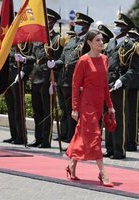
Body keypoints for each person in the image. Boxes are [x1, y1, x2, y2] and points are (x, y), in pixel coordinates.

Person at [66, 29, 115, 187]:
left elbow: (105, 85)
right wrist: (74, 108)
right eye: (98, 40)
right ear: (89, 43)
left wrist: (110, 106)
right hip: (86, 102)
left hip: (99, 101)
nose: (101, 43)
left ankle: (72, 165)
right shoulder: (83, 61)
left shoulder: (105, 59)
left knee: (83, 135)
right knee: (94, 134)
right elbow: (75, 85)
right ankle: (103, 173)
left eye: (102, 40)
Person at [103, 13, 139, 159]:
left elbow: (134, 68)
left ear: (126, 28)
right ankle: (110, 147)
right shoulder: (111, 43)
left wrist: (123, 80)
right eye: (116, 25)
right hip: (107, 84)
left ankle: (119, 150)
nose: (116, 28)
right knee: (108, 115)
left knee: (118, 117)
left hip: (119, 85)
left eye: (119, 26)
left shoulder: (130, 45)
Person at [55, 12, 94, 143]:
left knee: (73, 112)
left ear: (86, 27)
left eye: (79, 24)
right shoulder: (71, 41)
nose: (76, 26)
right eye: (76, 23)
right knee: (64, 110)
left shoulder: (88, 43)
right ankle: (65, 134)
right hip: (63, 81)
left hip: (76, 82)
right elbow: (62, 58)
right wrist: (55, 63)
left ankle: (72, 139)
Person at [28, 9, 63, 148]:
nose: (46, 22)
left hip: (47, 78)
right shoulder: (37, 37)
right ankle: (37, 138)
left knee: (47, 111)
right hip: (35, 77)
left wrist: (53, 82)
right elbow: (34, 56)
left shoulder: (56, 39)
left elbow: (59, 61)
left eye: (49, 20)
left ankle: (45, 140)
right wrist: (24, 59)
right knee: (37, 111)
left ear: (53, 22)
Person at [3, 44, 34, 145]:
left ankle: (21, 136)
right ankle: (14, 135)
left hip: (18, 76)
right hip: (7, 76)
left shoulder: (24, 43)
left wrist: (23, 72)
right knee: (10, 108)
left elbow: (30, 60)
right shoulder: (8, 41)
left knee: (18, 108)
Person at [125, 26, 139, 151]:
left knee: (132, 115)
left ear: (138, 38)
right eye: (129, 35)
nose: (130, 38)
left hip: (134, 84)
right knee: (123, 114)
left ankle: (132, 141)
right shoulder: (125, 46)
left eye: (134, 36)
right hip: (124, 83)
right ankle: (124, 139)